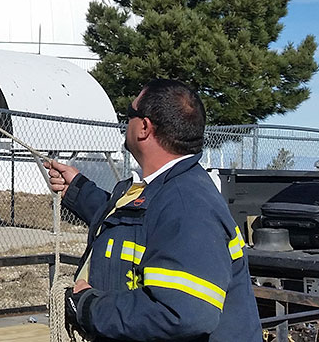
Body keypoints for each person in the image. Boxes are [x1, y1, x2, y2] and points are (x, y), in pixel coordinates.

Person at [44, 80, 261, 342]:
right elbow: (133, 225)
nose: (126, 122)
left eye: (129, 113)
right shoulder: (164, 189)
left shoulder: (189, 207)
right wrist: (78, 191)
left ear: (144, 128)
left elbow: (179, 313)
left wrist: (89, 308)